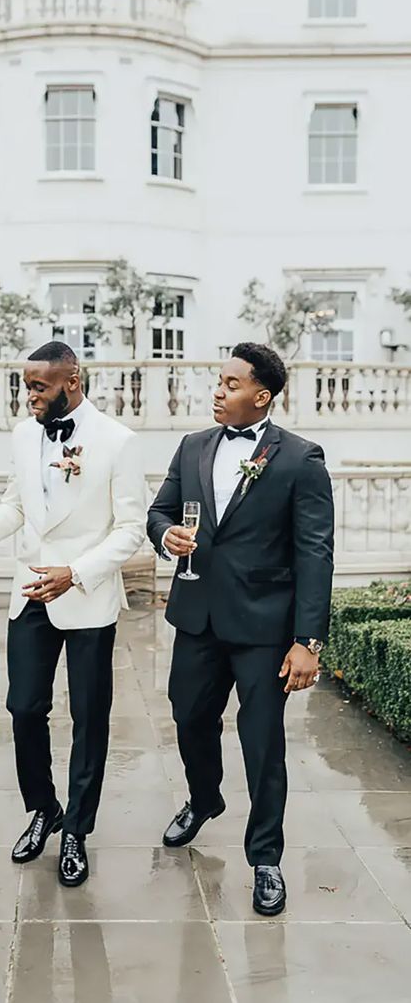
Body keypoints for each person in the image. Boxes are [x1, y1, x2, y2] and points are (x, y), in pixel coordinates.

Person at [147, 342, 334, 916]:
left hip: (262, 630)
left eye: (230, 383)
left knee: (262, 744)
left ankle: (266, 858)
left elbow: (315, 553)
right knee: (187, 716)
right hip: (198, 616)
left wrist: (308, 642)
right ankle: (205, 799)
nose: (218, 391)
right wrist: (165, 537)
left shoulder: (300, 459)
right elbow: (160, 511)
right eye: (218, 381)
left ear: (263, 395)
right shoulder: (193, 445)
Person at [0, 341, 147, 887]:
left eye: (37, 387)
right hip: (30, 592)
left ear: (71, 381)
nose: (28, 397)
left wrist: (76, 572)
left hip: (86, 595)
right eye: (26, 386)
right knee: (23, 708)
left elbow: (130, 530)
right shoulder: (24, 436)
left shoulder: (118, 442)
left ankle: (77, 831)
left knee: (90, 718)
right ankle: (44, 809)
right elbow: (19, 502)